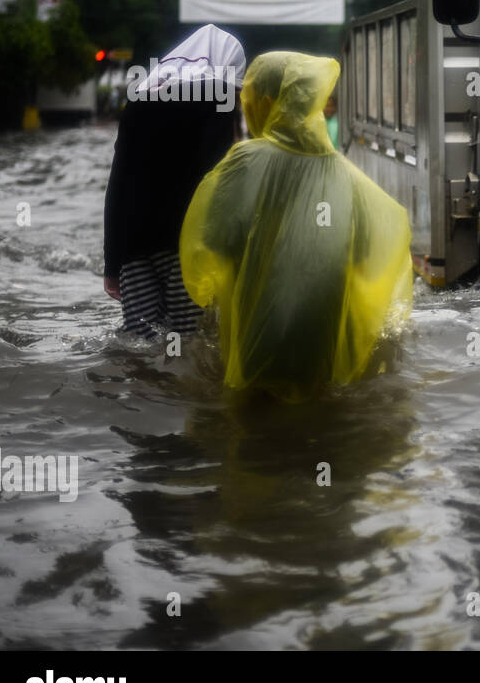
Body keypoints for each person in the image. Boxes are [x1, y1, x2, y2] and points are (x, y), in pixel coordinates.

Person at [179, 51, 412, 401]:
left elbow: (211, 245)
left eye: (252, 100)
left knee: (249, 434)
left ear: (269, 102)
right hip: (327, 347)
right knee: (329, 424)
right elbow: (372, 257)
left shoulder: (243, 163)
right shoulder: (350, 180)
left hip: (256, 346)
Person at [103, 24, 244, 338]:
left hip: (133, 245)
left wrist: (112, 263)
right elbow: (216, 183)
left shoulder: (138, 103)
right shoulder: (216, 105)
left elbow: (118, 185)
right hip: (186, 246)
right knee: (185, 344)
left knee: (140, 343)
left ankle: (141, 388)